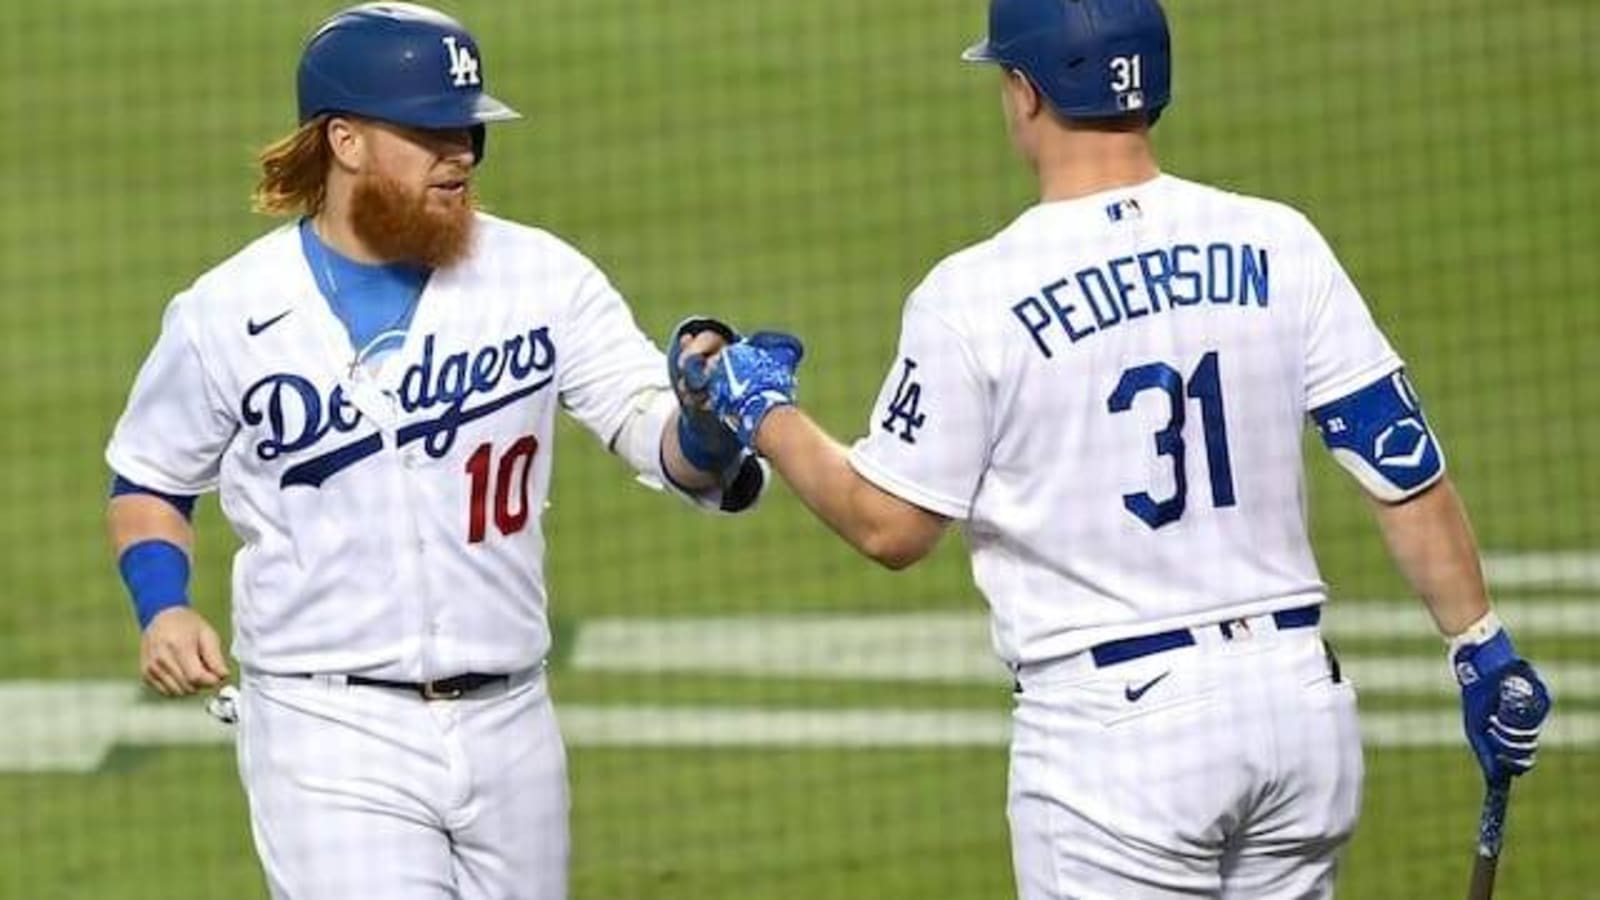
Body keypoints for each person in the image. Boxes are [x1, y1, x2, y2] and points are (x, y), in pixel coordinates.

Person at [678, 0, 1552, 896]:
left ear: (1025, 92)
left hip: (1120, 747)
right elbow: (1399, 466)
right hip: (1299, 714)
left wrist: (764, 410)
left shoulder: (975, 293)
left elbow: (891, 526)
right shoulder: (1278, 242)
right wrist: (1480, 645)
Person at [104, 4, 760, 898]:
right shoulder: (228, 311)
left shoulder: (540, 277)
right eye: (430, 134)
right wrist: (162, 605)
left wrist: (704, 425)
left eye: (468, 133)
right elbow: (149, 477)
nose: (460, 155)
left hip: (512, 721)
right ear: (345, 142)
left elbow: (651, 432)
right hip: (327, 729)